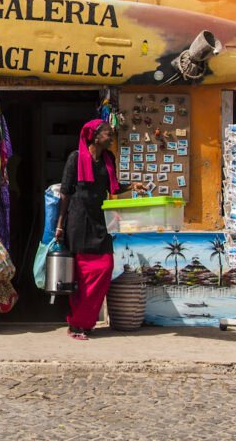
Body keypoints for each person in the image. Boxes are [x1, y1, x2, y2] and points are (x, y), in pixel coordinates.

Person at [55, 119, 146, 340]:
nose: (111, 138)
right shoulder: (75, 158)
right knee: (83, 276)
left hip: (99, 220)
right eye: (108, 134)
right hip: (78, 221)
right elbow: (65, 193)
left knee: (104, 268)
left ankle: (84, 321)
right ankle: (78, 325)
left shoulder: (108, 159)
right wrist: (59, 224)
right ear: (95, 136)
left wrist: (132, 186)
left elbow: (113, 186)